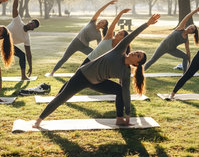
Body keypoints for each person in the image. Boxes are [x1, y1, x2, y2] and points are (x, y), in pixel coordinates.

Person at [33, 14, 161, 127]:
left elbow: (126, 93)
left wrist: (128, 114)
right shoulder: (120, 50)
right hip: (83, 75)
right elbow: (132, 35)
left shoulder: (125, 73)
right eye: (137, 52)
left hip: (97, 82)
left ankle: (119, 119)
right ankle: (39, 120)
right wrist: (147, 24)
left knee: (120, 90)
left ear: (136, 63)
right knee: (62, 97)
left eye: (138, 56)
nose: (135, 53)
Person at [49, 0, 114, 76]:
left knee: (95, 57)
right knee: (64, 58)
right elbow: (99, 11)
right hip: (75, 43)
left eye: (102, 23)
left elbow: (99, 47)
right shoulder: (92, 22)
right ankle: (52, 72)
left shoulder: (98, 35)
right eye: (101, 20)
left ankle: (95, 72)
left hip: (84, 47)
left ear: (103, 27)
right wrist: (108, 3)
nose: (100, 22)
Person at [144, 6, 199, 72]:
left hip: (172, 50)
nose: (189, 28)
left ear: (192, 32)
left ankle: (185, 73)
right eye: (190, 27)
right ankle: (140, 72)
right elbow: (187, 17)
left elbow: (188, 51)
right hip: (163, 46)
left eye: (192, 29)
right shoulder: (180, 28)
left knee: (185, 56)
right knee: (152, 60)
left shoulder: (186, 40)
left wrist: (189, 62)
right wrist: (195, 11)